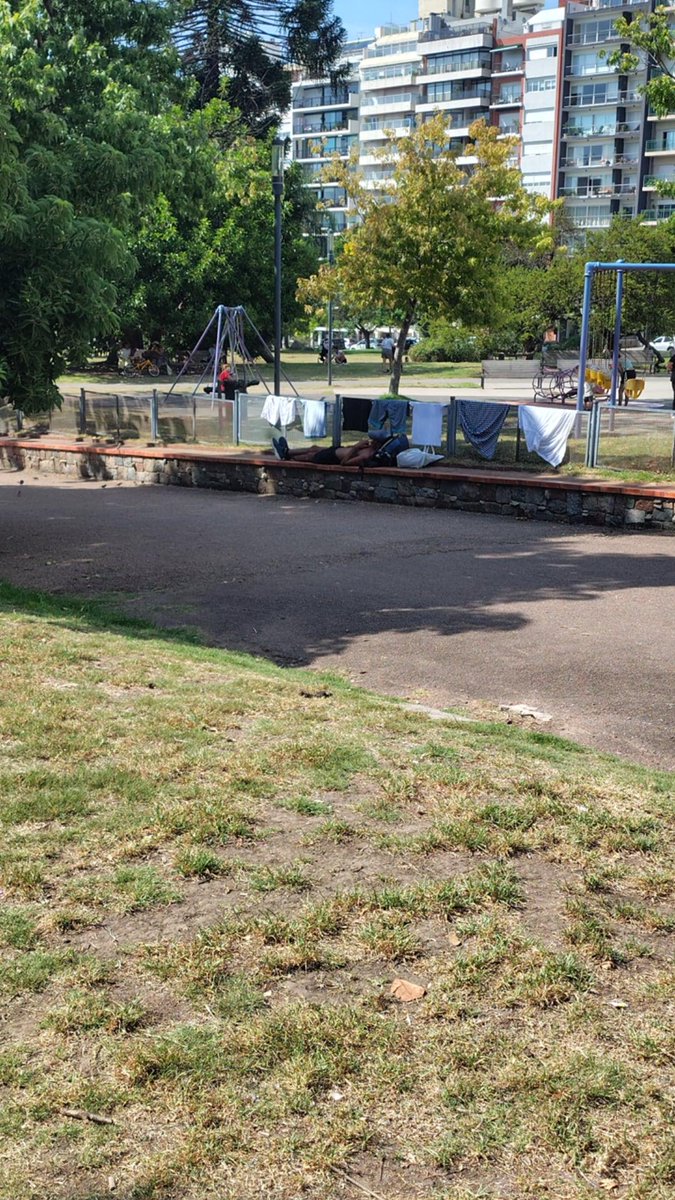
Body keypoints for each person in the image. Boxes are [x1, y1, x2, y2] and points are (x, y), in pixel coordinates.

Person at [271, 435, 394, 468]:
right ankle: (287, 451)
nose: (371, 440)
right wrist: (355, 446)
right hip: (336, 450)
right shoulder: (367, 447)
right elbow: (349, 449)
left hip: (333, 458)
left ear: (378, 443)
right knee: (314, 447)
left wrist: (356, 447)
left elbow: (344, 463)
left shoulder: (367, 455)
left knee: (311, 456)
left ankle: (286, 456)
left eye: (374, 440)